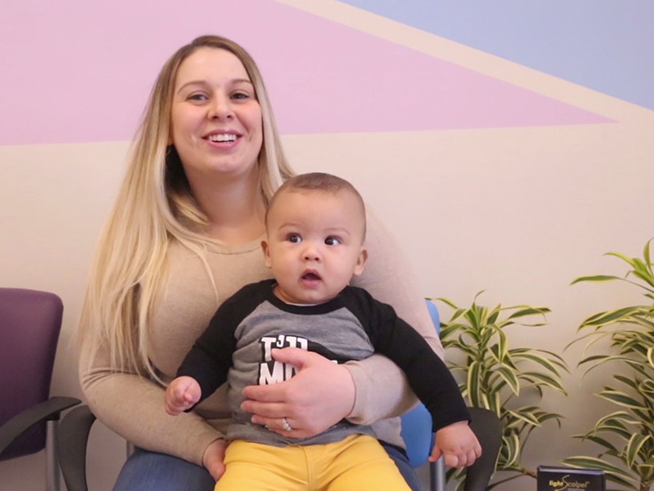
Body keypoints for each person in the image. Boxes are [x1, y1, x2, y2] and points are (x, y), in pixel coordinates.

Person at [78, 35, 459, 491]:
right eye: (198, 96)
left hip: (351, 444)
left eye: (239, 94)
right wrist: (203, 444)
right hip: (195, 447)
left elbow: (420, 349)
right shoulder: (135, 241)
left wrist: (348, 390)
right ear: (165, 123)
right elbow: (105, 375)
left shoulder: (335, 219)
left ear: (262, 116)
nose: (222, 109)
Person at [165, 173, 480, 490]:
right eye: (293, 238)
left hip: (351, 450)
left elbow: (420, 360)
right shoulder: (244, 307)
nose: (311, 253)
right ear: (268, 252)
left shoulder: (366, 312)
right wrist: (190, 382)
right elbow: (210, 353)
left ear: (358, 261)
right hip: (259, 452)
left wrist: (452, 420)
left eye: (331, 241)